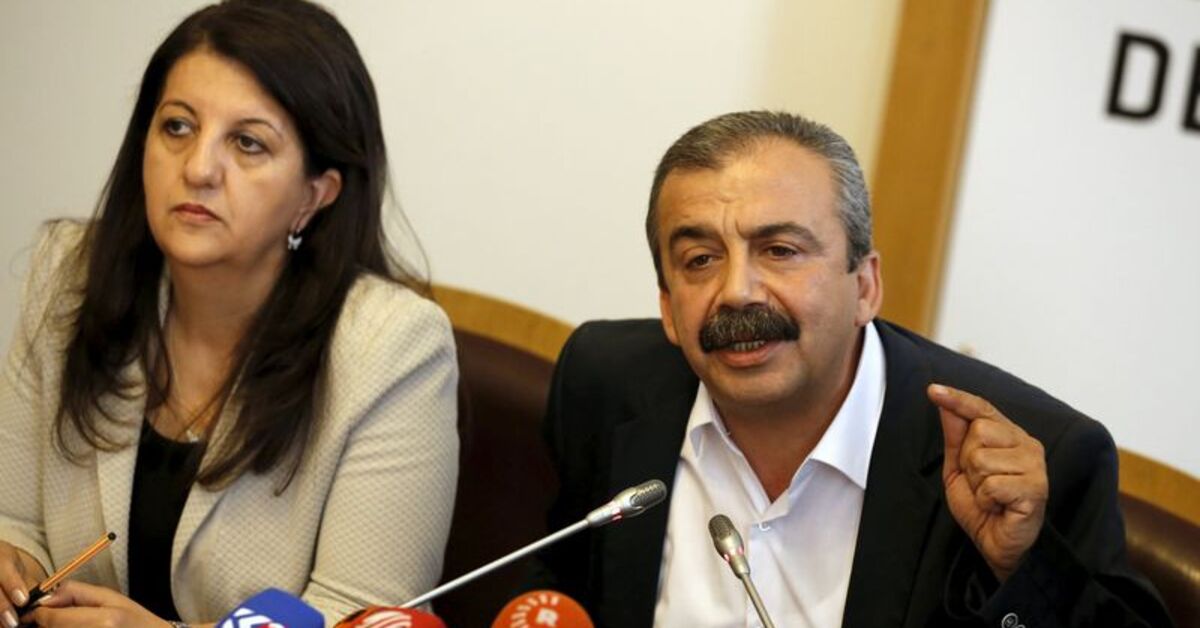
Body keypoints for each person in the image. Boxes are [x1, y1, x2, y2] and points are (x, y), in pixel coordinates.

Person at [531, 111, 1172, 627]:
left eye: (780, 250)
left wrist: (1020, 570)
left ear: (865, 286)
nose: (737, 292)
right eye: (700, 260)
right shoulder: (606, 384)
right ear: (668, 308)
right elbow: (556, 592)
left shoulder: (1034, 457)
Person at [0, 1, 459, 626]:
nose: (198, 169)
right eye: (177, 127)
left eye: (248, 143)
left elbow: (361, 617)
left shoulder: (393, 349)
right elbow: (15, 518)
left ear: (314, 195)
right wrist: (13, 565)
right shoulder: (68, 276)